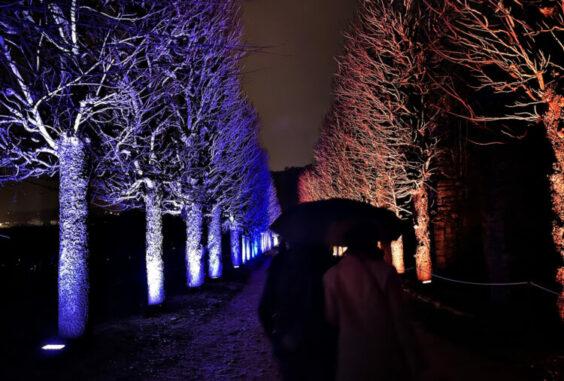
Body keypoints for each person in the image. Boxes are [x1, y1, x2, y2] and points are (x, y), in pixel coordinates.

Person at [323, 227, 425, 381]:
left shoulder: (331, 275)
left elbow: (332, 317)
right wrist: (414, 357)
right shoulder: (385, 271)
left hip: (351, 354)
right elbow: (400, 319)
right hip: (385, 353)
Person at [259, 241, 338, 381]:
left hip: (291, 343)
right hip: (325, 345)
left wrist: (276, 339)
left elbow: (264, 308)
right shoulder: (332, 263)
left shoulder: (281, 262)